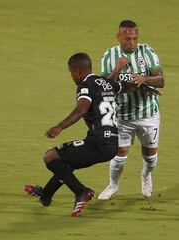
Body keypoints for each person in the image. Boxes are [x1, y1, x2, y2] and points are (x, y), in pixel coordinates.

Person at [24, 52, 132, 217]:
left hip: (98, 143)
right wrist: (142, 82)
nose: (72, 76)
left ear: (78, 71)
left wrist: (59, 127)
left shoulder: (85, 86)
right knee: (67, 164)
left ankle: (82, 191)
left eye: (71, 72)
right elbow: (120, 85)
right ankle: (46, 195)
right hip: (111, 143)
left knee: (51, 156)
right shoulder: (104, 83)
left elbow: (81, 109)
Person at [98, 20, 165, 200]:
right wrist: (118, 67)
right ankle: (113, 186)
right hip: (122, 116)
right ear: (119, 37)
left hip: (148, 113)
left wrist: (145, 79)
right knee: (119, 155)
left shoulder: (147, 52)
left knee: (150, 157)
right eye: (128, 39)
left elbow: (161, 80)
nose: (132, 43)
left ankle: (146, 175)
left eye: (135, 38)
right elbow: (104, 86)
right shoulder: (109, 55)